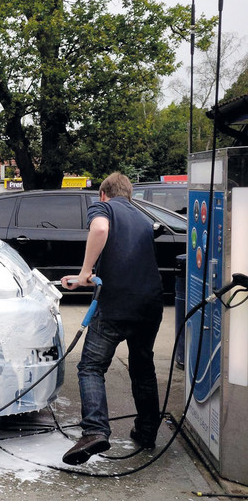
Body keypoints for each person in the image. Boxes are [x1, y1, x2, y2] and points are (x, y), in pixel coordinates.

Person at [60, 172, 164, 465]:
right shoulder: (143, 218)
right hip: (151, 304)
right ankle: (146, 432)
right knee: (142, 367)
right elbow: (128, 263)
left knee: (91, 366)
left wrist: (84, 272)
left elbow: (101, 230)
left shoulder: (103, 208)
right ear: (129, 195)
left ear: (103, 193)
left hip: (116, 306)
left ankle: (94, 431)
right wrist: (88, 279)